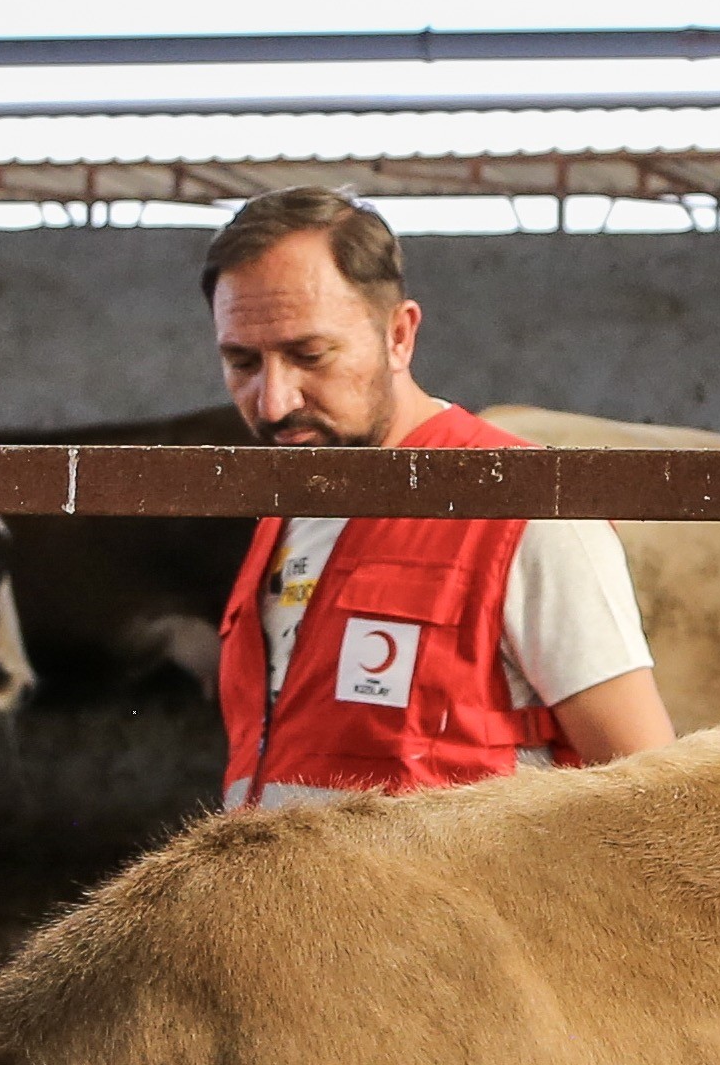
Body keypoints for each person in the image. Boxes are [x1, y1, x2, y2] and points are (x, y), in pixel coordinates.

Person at [205, 185, 674, 808]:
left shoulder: (524, 513)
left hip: (463, 906)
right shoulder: (287, 509)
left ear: (399, 335)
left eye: (309, 355)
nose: (273, 401)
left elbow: (653, 789)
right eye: (242, 362)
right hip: (282, 903)